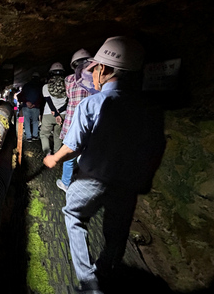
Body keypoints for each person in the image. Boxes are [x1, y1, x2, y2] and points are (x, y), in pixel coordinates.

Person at [43, 36, 166, 294]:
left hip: (92, 178)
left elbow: (74, 145)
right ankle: (105, 270)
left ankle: (89, 283)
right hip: (128, 182)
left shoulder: (94, 103)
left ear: (105, 69)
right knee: (117, 230)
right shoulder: (151, 108)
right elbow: (156, 146)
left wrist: (54, 157)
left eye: (96, 69)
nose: (94, 74)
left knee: (74, 216)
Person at [56, 49, 96, 191]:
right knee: (87, 154)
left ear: (74, 65)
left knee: (69, 154)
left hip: (72, 122)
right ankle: (86, 183)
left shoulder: (69, 80)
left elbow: (68, 95)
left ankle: (66, 183)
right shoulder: (95, 79)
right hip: (90, 123)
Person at [40, 62, 67, 156]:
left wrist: (55, 113)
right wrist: (59, 112)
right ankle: (57, 154)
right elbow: (68, 102)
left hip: (49, 114)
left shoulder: (46, 87)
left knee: (44, 134)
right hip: (63, 114)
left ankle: (48, 154)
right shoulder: (67, 85)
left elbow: (48, 101)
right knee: (58, 135)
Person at [18, 72, 43, 142]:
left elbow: (21, 96)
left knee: (26, 121)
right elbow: (41, 97)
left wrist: (26, 102)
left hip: (26, 106)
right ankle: (35, 136)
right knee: (35, 121)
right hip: (36, 107)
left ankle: (29, 137)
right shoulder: (40, 86)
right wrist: (35, 104)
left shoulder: (26, 85)